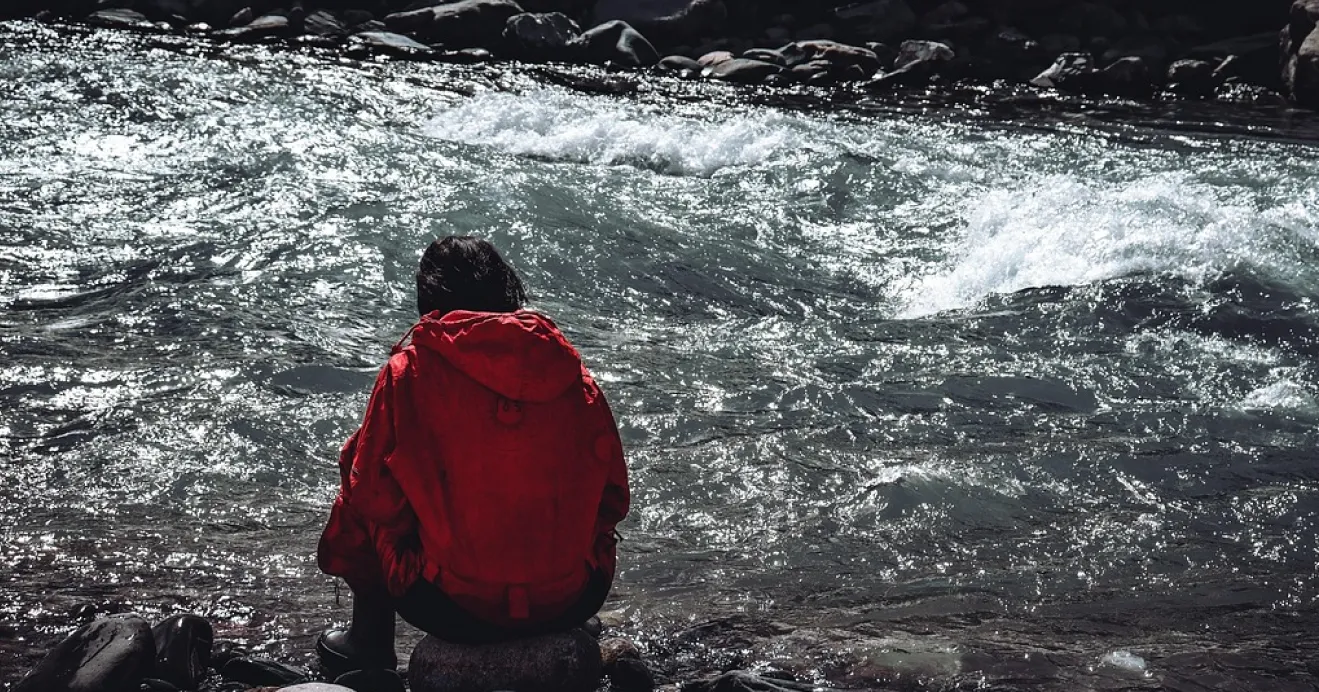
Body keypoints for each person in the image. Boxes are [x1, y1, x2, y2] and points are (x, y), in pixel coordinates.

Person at [315, 236, 630, 674]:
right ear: (505, 294)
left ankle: (370, 639)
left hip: (447, 607)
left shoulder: (408, 374)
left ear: (430, 302)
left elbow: (372, 497)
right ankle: (557, 599)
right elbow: (614, 499)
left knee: (360, 462)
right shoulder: (569, 371)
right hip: (575, 599)